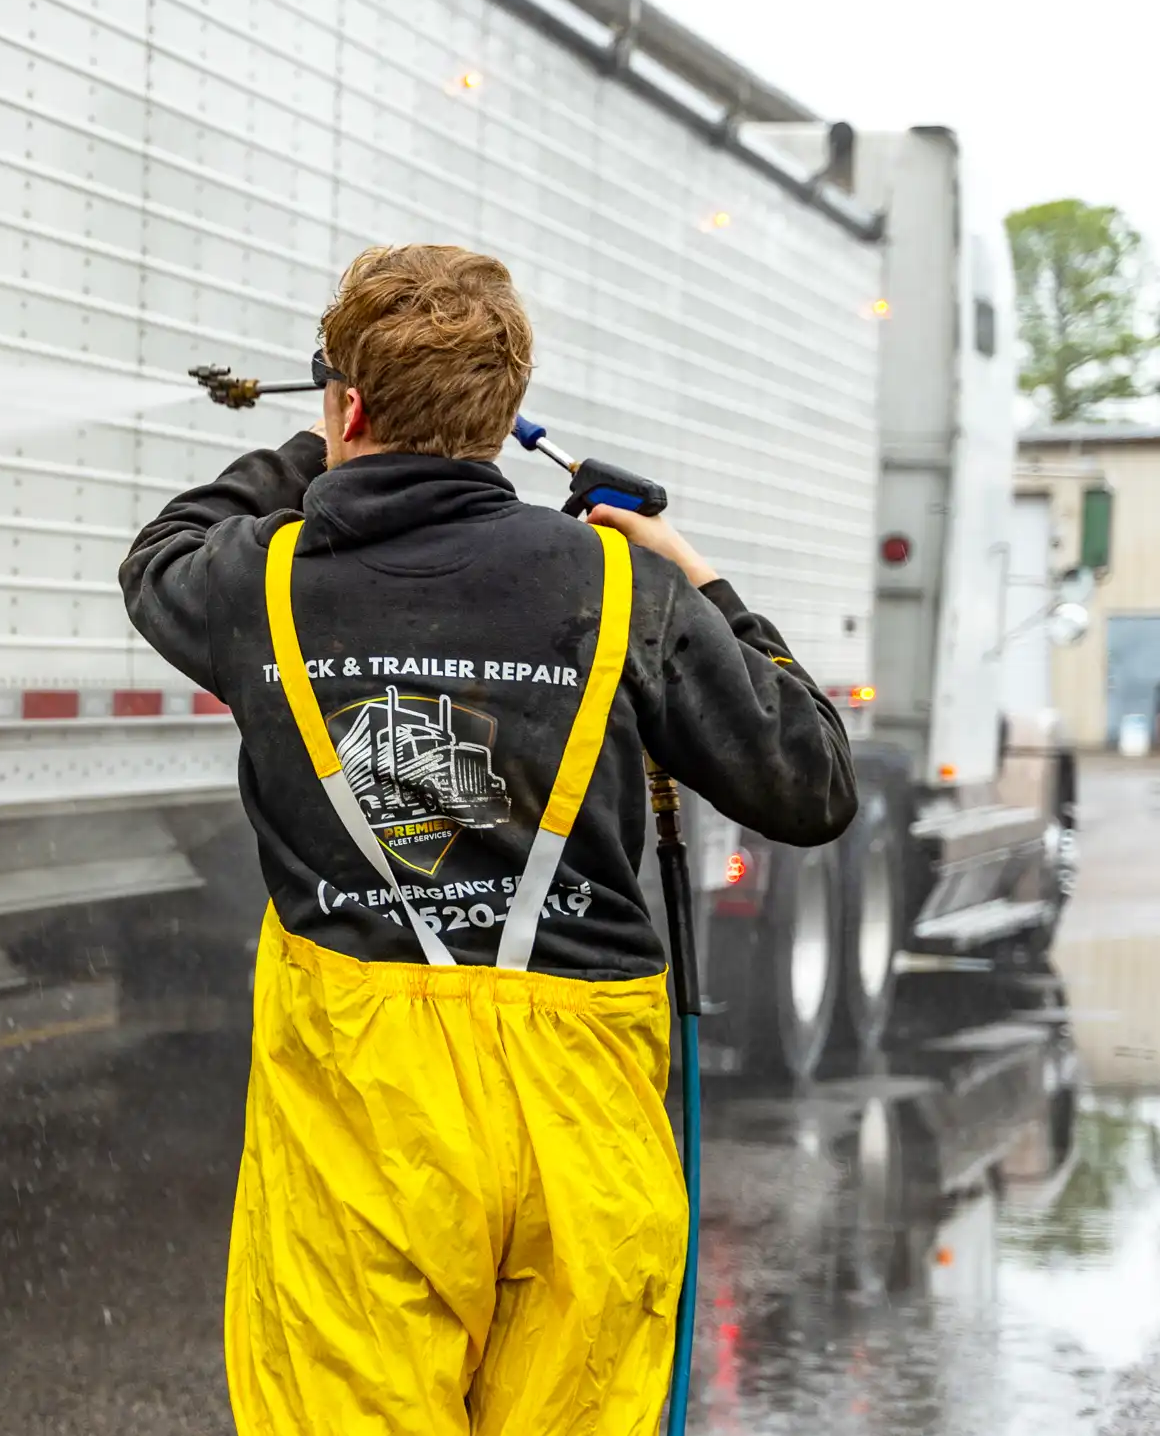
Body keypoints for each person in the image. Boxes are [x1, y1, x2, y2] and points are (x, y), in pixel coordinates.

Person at [120, 244, 857, 1435]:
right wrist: (698, 576)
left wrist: (321, 442)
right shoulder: (623, 588)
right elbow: (811, 781)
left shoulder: (255, 581)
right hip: (585, 1117)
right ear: (503, 413)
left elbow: (163, 544)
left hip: (366, 1119)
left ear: (349, 405)